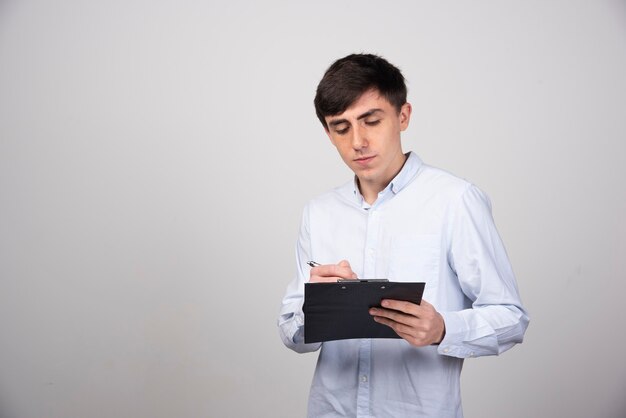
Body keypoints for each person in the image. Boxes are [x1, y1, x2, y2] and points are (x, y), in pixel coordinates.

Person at [278, 53, 529, 418]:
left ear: (403, 116)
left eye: (371, 121)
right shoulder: (319, 212)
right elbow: (291, 334)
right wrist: (313, 306)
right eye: (341, 127)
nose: (358, 141)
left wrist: (444, 328)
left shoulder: (455, 200)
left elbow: (511, 317)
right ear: (328, 134)